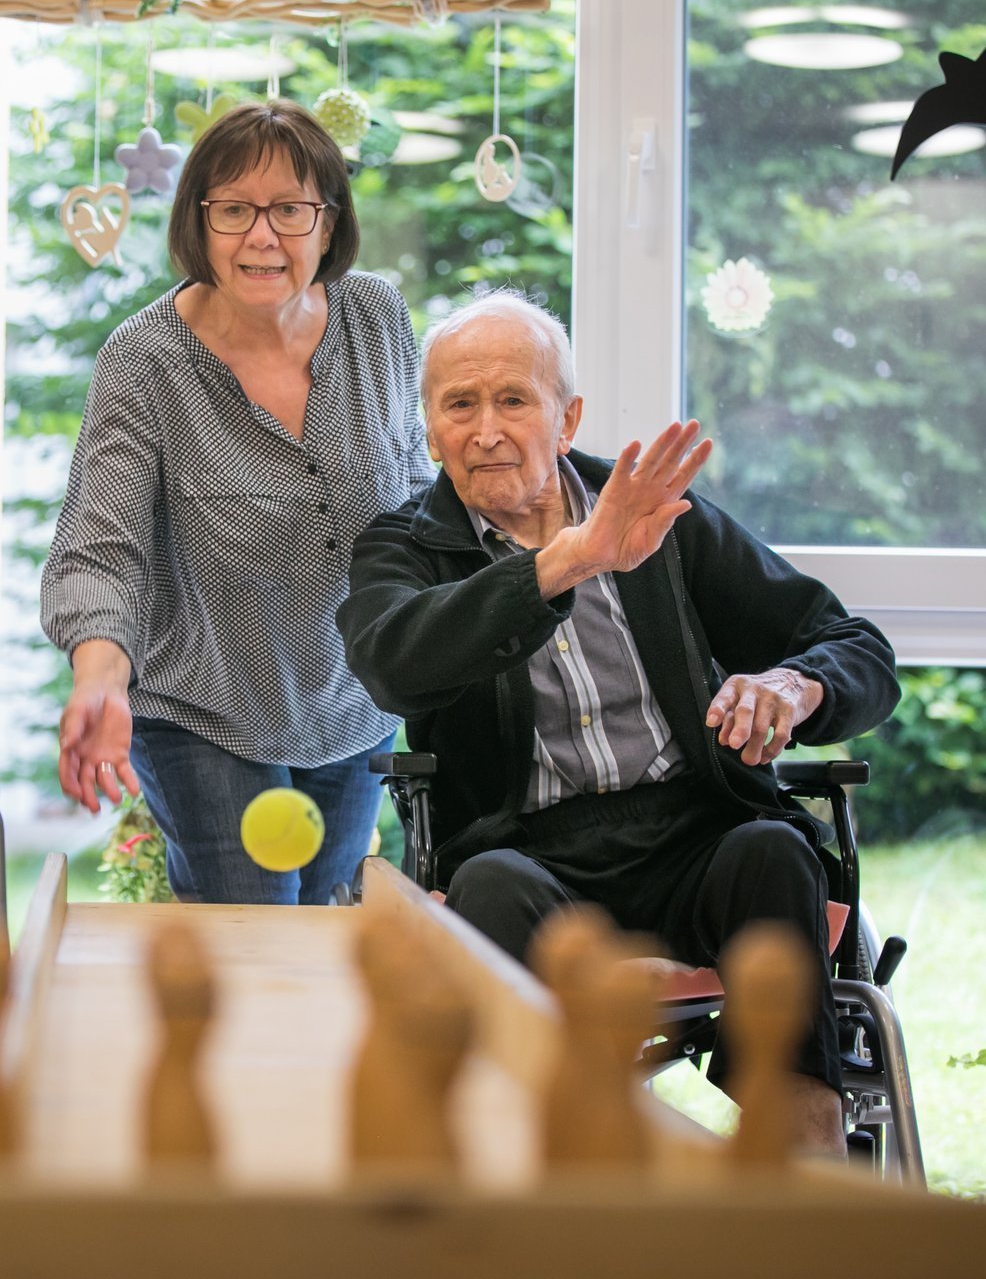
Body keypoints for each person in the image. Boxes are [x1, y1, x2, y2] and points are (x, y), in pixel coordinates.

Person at [336, 291, 899, 1155]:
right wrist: (569, 562)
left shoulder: (657, 518)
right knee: (483, 885)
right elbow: (393, 664)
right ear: (430, 428)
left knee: (774, 850)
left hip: (695, 836)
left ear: (568, 419)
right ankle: (561, 1169)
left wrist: (795, 686)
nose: (486, 429)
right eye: (460, 403)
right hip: (533, 853)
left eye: (513, 400)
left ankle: (803, 1168)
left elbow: (853, 645)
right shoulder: (404, 547)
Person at [40, 100, 432, 905]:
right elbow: (100, 547)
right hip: (203, 708)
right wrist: (100, 680)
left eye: (290, 209)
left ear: (328, 222)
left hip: (348, 703)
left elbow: (416, 492)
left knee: (322, 938)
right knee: (252, 935)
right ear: (199, 222)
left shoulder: (378, 318)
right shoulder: (146, 358)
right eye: (234, 211)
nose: (263, 237)